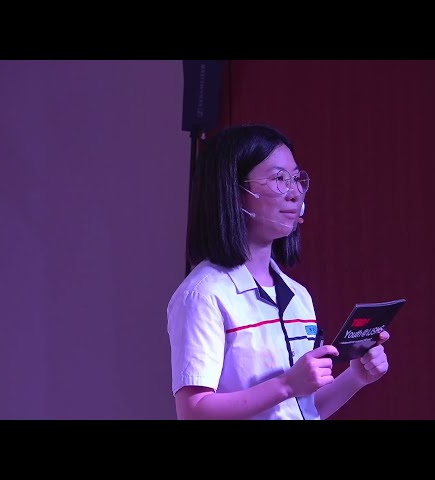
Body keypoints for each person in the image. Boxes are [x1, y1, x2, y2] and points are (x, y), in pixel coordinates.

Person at [167, 124, 390, 420]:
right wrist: (286, 384)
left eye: (296, 179)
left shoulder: (298, 295)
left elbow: (301, 409)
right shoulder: (204, 294)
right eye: (278, 179)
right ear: (235, 191)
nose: (295, 193)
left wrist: (356, 377)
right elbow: (193, 411)